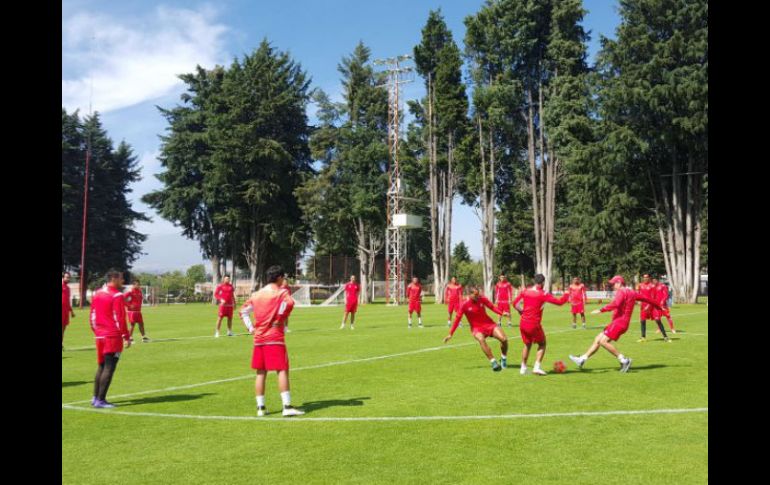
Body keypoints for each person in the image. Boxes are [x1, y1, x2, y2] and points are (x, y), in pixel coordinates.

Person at [239, 265, 304, 417]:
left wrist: (251, 329)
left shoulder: (256, 294)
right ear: (280, 277)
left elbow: (243, 311)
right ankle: (287, 406)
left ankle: (260, 408)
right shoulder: (281, 292)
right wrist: (280, 318)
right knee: (282, 370)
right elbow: (289, 303)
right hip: (274, 337)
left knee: (261, 372)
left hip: (259, 339)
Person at [568, 275, 663, 373]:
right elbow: (647, 299)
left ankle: (623, 360)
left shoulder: (621, 291)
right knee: (598, 339)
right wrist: (659, 306)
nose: (613, 286)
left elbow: (616, 304)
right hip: (622, 323)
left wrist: (601, 310)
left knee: (603, 342)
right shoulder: (632, 292)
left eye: (614, 284)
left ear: (619, 283)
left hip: (619, 322)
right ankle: (582, 359)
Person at [89, 269, 131, 408]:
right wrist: (126, 336)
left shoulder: (97, 293)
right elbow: (120, 318)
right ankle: (101, 400)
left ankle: (95, 398)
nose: (123, 281)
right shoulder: (117, 295)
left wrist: (97, 331)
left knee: (101, 366)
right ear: (113, 278)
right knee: (109, 367)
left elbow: (92, 316)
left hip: (100, 335)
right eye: (121, 278)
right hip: (112, 336)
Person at [513, 274, 569, 375]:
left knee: (527, 344)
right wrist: (567, 294)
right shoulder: (543, 294)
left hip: (523, 323)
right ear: (543, 282)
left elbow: (515, 303)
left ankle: (523, 368)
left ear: (535, 281)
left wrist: (521, 312)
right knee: (542, 343)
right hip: (534, 323)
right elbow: (560, 302)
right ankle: (536, 367)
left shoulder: (526, 291)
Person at [443, 287, 511, 372]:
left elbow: (492, 307)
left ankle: (503, 358)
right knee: (481, 339)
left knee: (504, 339)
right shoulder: (464, 304)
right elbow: (457, 319)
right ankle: (493, 362)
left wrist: (502, 313)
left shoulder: (481, 298)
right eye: (475, 295)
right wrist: (450, 334)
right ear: (470, 294)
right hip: (476, 328)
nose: (477, 296)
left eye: (478, 294)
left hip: (489, 324)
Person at [637, 274, 670, 342]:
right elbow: (639, 294)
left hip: (652, 305)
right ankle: (643, 337)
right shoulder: (640, 285)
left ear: (649, 278)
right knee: (642, 321)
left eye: (647, 277)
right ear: (643, 278)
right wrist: (638, 301)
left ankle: (665, 336)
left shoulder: (652, 286)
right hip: (643, 306)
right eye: (644, 277)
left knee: (658, 320)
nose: (645, 278)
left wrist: (648, 306)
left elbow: (653, 298)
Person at [124, 278, 149, 343]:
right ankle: (129, 338)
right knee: (132, 324)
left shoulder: (139, 291)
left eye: (139, 284)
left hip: (138, 311)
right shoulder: (130, 292)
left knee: (141, 324)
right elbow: (123, 299)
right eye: (137, 284)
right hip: (132, 312)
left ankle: (144, 337)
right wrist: (129, 305)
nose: (138, 285)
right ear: (133, 285)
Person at [62, 272, 75, 350]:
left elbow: (67, 301)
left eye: (69, 277)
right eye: (66, 277)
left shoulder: (68, 288)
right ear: (63, 277)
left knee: (63, 329)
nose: (68, 279)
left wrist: (71, 311)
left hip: (65, 311)